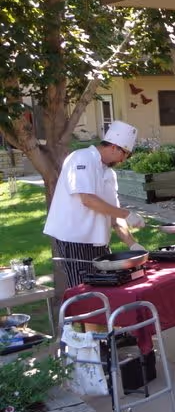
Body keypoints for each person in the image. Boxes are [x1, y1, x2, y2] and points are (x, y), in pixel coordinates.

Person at [43, 121, 146, 288]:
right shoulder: (81, 158)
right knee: (83, 290)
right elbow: (87, 199)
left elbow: (113, 215)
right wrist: (126, 214)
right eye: (125, 154)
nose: (123, 160)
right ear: (114, 147)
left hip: (99, 242)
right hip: (75, 239)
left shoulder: (109, 174)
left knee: (106, 287)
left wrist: (132, 244)